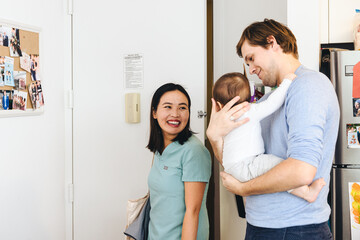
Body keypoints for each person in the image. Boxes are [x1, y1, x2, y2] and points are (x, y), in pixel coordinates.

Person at [206, 19, 339, 239]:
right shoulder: (267, 100)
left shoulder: (308, 86)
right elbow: (240, 165)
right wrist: (215, 136)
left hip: (295, 229)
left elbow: (301, 171)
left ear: (272, 42)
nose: (250, 70)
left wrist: (243, 189)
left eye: (251, 58)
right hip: (265, 226)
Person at [213, 71, 326, 203]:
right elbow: (272, 104)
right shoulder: (249, 111)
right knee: (280, 168)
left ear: (219, 105)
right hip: (246, 164)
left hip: (233, 167)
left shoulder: (222, 120)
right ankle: (306, 193)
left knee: (276, 168)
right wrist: (286, 83)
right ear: (250, 98)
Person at [146, 83, 211, 239]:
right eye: (167, 107)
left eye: (182, 108)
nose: (175, 114)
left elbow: (193, 212)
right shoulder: (159, 148)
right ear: (154, 112)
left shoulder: (193, 151)